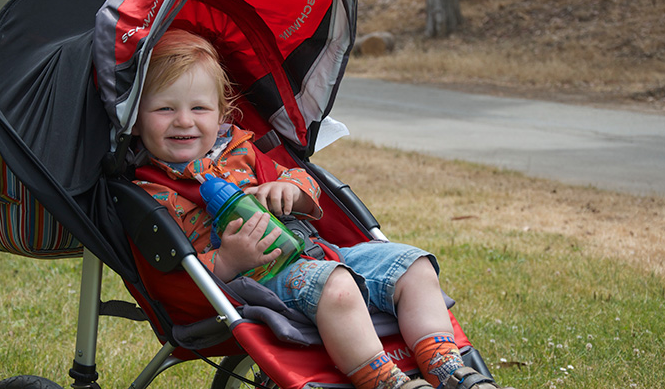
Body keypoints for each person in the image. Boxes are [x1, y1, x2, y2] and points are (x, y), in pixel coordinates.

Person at [132, 29, 509, 389]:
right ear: (135, 118)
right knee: (338, 285)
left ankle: (448, 369)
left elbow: (303, 180)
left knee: (415, 265)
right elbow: (177, 277)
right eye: (165, 108)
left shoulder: (242, 151)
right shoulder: (154, 194)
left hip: (321, 252)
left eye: (199, 108)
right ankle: (383, 381)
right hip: (260, 282)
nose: (184, 120)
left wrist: (290, 189)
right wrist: (229, 260)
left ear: (221, 113)